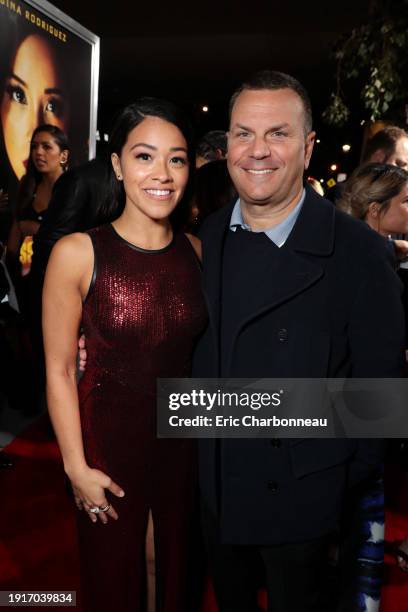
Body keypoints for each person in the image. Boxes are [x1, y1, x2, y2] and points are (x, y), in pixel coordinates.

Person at [192, 70, 405, 612]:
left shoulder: (359, 253)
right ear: (226, 145)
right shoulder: (203, 239)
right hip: (217, 491)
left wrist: (329, 481)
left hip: (304, 506)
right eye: (243, 133)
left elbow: (379, 399)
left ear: (308, 148)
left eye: (277, 134)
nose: (257, 151)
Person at [42, 98, 207, 612]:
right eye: (144, 156)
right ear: (117, 165)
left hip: (182, 442)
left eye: (176, 159)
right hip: (109, 441)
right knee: (115, 572)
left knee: (172, 566)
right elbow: (60, 369)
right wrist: (75, 466)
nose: (162, 174)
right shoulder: (77, 252)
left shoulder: (198, 252)